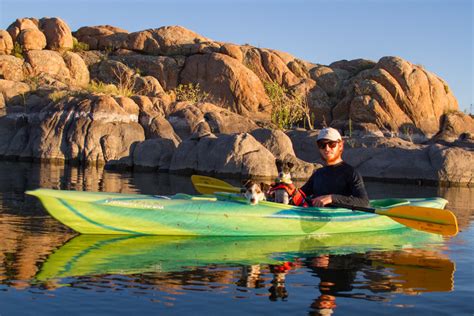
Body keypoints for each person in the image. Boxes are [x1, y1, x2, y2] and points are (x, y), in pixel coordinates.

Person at [300, 127, 369, 208]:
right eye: (322, 145)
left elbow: (364, 202)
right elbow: (300, 195)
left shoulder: (351, 173)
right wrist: (286, 189)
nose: (327, 148)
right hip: (315, 216)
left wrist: (332, 198)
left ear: (340, 145)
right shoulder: (318, 174)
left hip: (339, 218)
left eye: (331, 144)